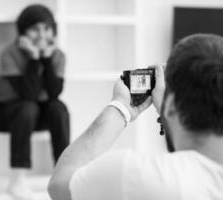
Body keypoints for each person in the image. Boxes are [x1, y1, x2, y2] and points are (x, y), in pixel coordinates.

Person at [48, 34, 223, 200]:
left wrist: (120, 107)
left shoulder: (134, 176)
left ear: (171, 106)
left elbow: (60, 184)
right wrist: (170, 108)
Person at [0, 4, 70, 199]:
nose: (41, 35)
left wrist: (46, 59)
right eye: (34, 29)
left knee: (59, 107)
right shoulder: (10, 53)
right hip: (4, 110)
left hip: (34, 111)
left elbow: (53, 93)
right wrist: (33, 58)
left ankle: (65, 173)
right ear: (22, 32)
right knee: (28, 107)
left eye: (46, 28)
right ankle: (17, 179)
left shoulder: (58, 55)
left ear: (53, 30)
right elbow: (28, 93)